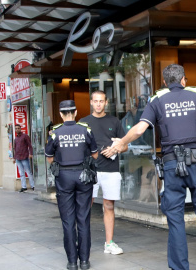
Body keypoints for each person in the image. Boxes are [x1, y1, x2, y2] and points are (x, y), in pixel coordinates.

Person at [102, 64, 196, 270]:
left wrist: (121, 142)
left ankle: (179, 268)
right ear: (184, 80)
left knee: (175, 218)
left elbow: (140, 128)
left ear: (164, 82)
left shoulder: (156, 100)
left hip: (172, 164)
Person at [45, 100, 98, 270]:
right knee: (83, 219)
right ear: (75, 113)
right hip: (84, 176)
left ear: (61, 114)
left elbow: (49, 157)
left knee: (68, 221)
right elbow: (95, 155)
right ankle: (84, 261)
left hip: (64, 177)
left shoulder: (55, 133)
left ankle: (72, 262)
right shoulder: (86, 130)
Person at [79, 90, 125, 255]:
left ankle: (109, 243)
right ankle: (82, 242)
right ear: (91, 102)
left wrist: (115, 149)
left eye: (101, 101)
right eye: (95, 101)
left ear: (106, 103)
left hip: (110, 170)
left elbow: (125, 145)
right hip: (90, 170)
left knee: (109, 206)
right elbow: (79, 147)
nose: (98, 104)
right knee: (85, 206)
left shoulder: (114, 121)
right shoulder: (83, 123)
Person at [13, 124, 35, 192]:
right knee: (21, 173)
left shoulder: (25, 136)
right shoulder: (16, 138)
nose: (17, 130)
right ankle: (23, 186)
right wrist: (14, 158)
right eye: (16, 128)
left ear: (20, 129)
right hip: (18, 158)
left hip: (24, 156)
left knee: (28, 172)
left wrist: (31, 153)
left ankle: (33, 185)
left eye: (18, 128)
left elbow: (30, 145)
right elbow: (15, 148)